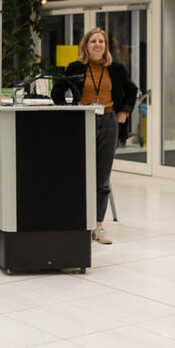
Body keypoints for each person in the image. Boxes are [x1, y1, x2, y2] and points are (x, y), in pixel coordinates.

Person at [50, 27, 137, 245]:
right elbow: (56, 91)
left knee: (102, 177)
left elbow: (132, 90)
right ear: (86, 46)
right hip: (83, 121)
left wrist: (124, 112)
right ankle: (79, 222)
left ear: (105, 46)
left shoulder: (116, 68)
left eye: (101, 41)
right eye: (93, 41)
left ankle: (98, 226)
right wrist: (68, 112)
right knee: (79, 174)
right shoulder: (76, 67)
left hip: (108, 121)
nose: (98, 45)